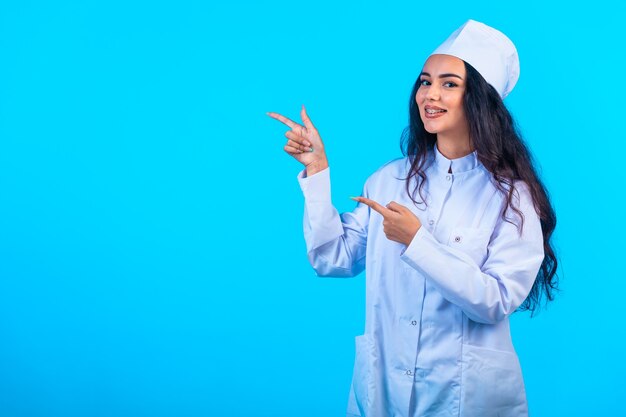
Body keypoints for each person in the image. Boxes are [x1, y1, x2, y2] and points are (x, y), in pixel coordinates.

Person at [266, 19, 558, 417]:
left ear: (480, 99)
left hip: (468, 397)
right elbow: (330, 258)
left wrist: (417, 242)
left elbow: (495, 300)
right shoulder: (389, 179)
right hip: (384, 388)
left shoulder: (511, 197)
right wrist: (317, 170)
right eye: (425, 81)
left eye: (449, 84)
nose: (430, 94)